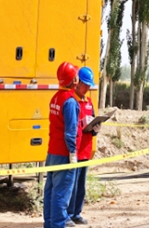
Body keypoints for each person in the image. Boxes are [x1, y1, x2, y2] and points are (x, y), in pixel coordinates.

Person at [44, 62, 81, 228]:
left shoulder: (56, 97)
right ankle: (58, 225)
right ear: (74, 80)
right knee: (61, 194)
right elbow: (70, 132)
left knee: (50, 191)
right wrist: (73, 154)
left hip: (52, 153)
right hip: (64, 154)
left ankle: (49, 224)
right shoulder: (70, 102)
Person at [67, 66, 100, 225]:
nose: (87, 88)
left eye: (89, 85)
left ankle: (76, 213)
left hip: (85, 150)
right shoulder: (71, 101)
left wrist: (95, 129)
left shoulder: (89, 102)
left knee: (81, 185)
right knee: (71, 185)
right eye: (85, 84)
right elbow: (70, 126)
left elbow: (92, 121)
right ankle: (68, 214)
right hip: (74, 150)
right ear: (77, 82)